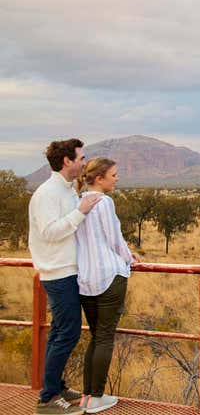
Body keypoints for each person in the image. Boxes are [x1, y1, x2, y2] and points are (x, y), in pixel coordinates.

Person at [28, 139, 102, 415]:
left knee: (60, 331)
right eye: (81, 157)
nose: (84, 162)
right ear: (67, 161)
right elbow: (49, 232)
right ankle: (47, 399)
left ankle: (55, 387)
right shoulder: (48, 193)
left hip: (67, 271)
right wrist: (80, 212)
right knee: (68, 333)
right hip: (58, 273)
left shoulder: (66, 190)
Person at [75, 157, 139, 414]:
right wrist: (129, 257)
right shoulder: (104, 202)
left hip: (85, 280)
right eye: (113, 174)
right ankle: (97, 398)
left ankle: (87, 397)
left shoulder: (76, 202)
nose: (117, 178)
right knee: (104, 338)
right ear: (99, 178)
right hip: (109, 277)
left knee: (95, 336)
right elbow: (114, 239)